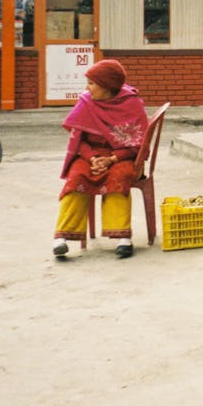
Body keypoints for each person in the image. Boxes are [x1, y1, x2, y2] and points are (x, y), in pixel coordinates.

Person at [52, 59, 148, 259]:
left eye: (91, 83)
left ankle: (123, 238)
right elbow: (79, 140)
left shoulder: (131, 104)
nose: (87, 88)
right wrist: (93, 157)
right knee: (76, 177)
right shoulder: (86, 102)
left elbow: (137, 145)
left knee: (118, 177)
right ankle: (61, 237)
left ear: (107, 86)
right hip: (89, 155)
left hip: (122, 157)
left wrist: (112, 159)